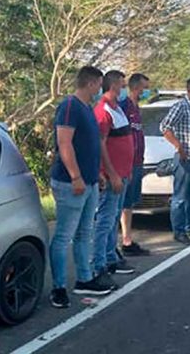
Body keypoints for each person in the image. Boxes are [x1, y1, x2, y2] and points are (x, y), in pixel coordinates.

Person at [49, 66, 113, 309]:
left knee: (84, 232)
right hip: (70, 183)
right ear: (91, 83)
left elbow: (89, 145)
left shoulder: (86, 108)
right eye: (99, 84)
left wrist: (96, 174)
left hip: (89, 182)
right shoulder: (69, 107)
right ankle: (58, 287)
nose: (100, 89)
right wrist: (76, 176)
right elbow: (64, 143)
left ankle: (84, 279)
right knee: (64, 235)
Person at [93, 70, 136, 290]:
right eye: (121, 85)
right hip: (114, 177)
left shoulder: (117, 109)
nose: (123, 89)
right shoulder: (103, 112)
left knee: (112, 221)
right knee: (105, 220)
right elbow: (100, 145)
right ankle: (98, 264)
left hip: (124, 174)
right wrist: (111, 174)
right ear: (113, 86)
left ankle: (110, 257)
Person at [160, 77, 190, 245]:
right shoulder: (181, 106)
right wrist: (178, 146)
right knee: (180, 197)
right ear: (189, 91)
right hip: (185, 160)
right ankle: (179, 232)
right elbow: (164, 127)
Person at [119, 73, 152, 256]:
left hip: (138, 162)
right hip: (126, 164)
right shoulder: (124, 106)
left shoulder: (137, 107)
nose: (146, 92)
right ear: (136, 87)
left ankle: (127, 239)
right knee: (120, 203)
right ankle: (115, 245)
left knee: (129, 203)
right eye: (144, 88)